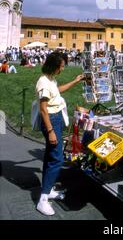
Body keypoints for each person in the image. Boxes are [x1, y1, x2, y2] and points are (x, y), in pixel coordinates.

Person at [35, 52, 84, 216]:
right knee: (57, 159)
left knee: (51, 156)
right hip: (51, 121)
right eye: (61, 66)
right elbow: (43, 109)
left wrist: (75, 81)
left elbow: (57, 90)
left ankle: (47, 190)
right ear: (54, 66)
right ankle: (43, 199)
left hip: (55, 119)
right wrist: (50, 131)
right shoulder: (43, 82)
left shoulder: (50, 80)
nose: (62, 69)